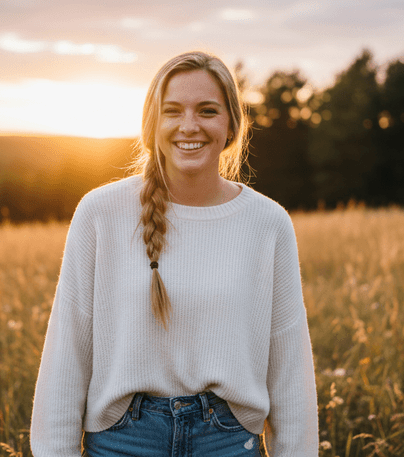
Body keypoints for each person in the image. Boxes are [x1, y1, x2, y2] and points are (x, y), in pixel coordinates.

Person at [30, 51, 318, 456]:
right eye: (173, 111)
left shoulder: (267, 223)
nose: (189, 126)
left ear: (231, 124)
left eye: (207, 110)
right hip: (122, 441)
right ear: (153, 124)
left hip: (228, 442)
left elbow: (291, 368)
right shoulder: (100, 214)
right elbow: (67, 357)